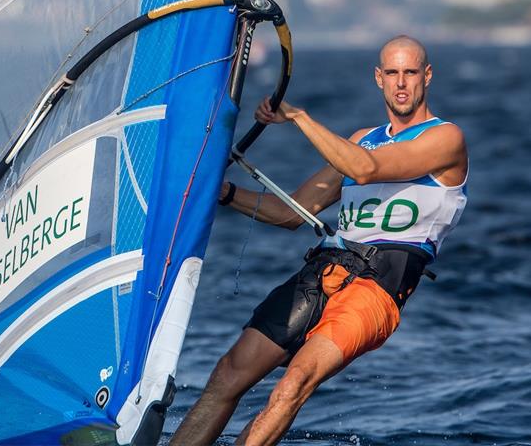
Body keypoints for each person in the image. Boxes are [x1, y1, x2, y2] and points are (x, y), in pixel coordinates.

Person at [171, 35, 468, 445]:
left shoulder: (445, 139)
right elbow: (291, 212)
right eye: (393, 73)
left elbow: (364, 170)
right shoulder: (362, 137)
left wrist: (298, 117)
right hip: (323, 274)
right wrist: (223, 193)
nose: (402, 84)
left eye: (411, 73)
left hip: (376, 290)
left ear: (427, 76)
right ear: (379, 78)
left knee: (294, 383)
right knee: (228, 374)